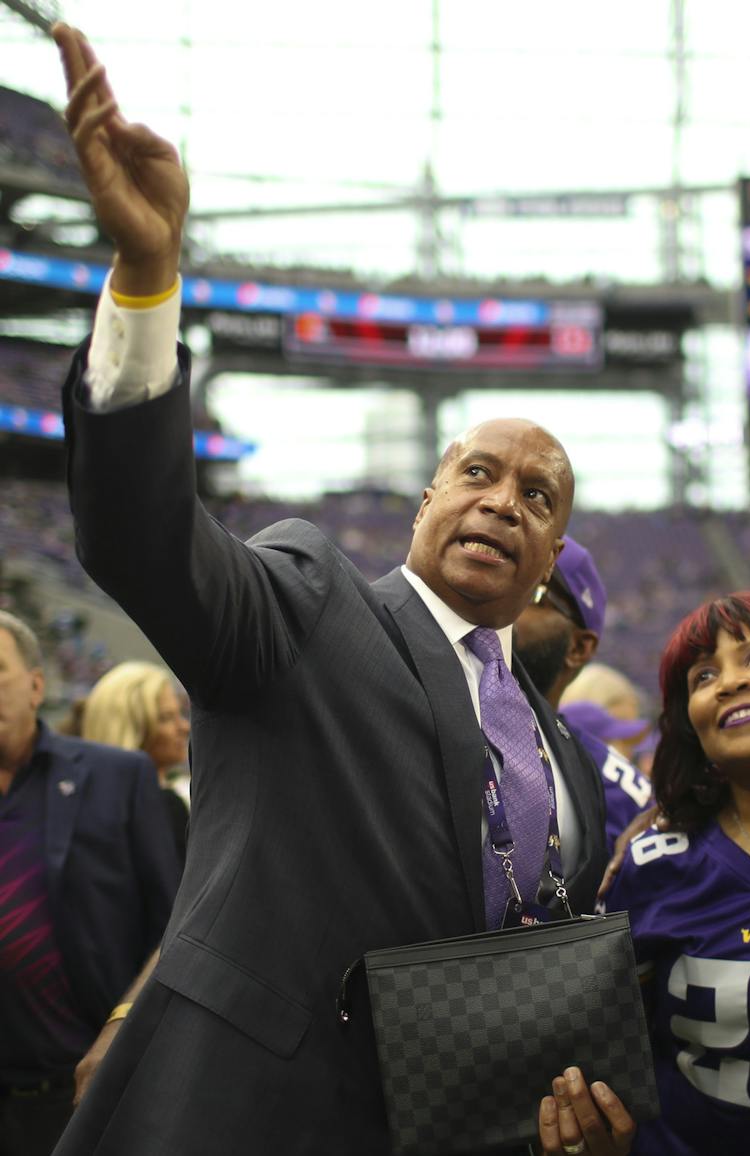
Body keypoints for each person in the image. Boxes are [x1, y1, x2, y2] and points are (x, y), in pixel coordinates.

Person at [50, 25, 621, 1155]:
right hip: (248, 1116)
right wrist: (151, 278)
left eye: (539, 496)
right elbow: (143, 542)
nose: (505, 501)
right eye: (479, 473)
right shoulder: (312, 603)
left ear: (552, 553)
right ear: (423, 504)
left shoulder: (557, 757)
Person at [597, 593, 750, 1155]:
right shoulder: (654, 864)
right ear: (689, 723)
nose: (729, 682)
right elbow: (609, 1044)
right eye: (703, 675)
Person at [0, 611, 179, 1156]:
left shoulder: (115, 778)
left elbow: (177, 922)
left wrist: (122, 1026)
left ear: (36, 686)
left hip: (87, 1094)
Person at [513, 535, 654, 853]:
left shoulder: (618, 798)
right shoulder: (417, 724)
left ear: (578, 647)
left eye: (533, 593)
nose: (501, 600)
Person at [80, 660, 191, 860]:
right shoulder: (163, 808)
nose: (184, 727)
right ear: (132, 729)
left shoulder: (83, 805)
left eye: (179, 714)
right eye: (166, 718)